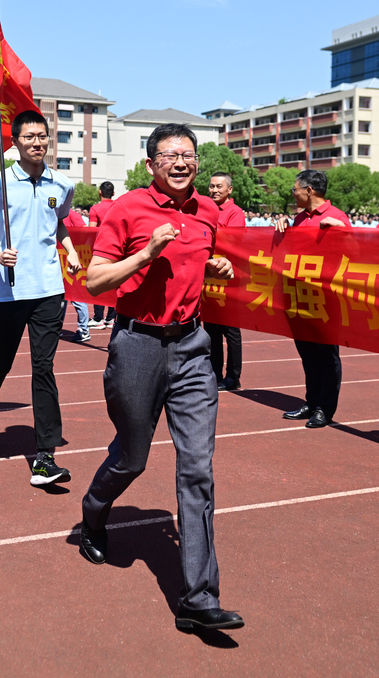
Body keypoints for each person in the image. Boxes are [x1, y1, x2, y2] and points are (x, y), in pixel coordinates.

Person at [78, 123, 242, 632]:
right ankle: (94, 509)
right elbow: (95, 280)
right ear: (151, 164)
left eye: (188, 154)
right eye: (170, 155)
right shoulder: (127, 208)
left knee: (197, 468)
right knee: (132, 457)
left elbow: (199, 261)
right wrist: (147, 253)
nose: (181, 162)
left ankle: (198, 597)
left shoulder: (208, 211)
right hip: (138, 346)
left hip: (192, 347)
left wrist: (215, 268)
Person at [0, 109, 82, 486]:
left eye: (42, 136)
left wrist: (71, 250)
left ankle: (45, 456)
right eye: (29, 137)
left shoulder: (62, 184)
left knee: (43, 367)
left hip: (48, 288)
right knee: (0, 360)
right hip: (7, 290)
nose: (37, 142)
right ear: (15, 142)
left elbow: (59, 223)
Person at [274, 169, 349, 429]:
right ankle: (311, 401)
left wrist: (341, 230)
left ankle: (324, 409)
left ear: (309, 190)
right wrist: (283, 225)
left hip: (326, 298)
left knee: (326, 355)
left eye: (295, 189)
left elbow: (355, 249)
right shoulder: (299, 218)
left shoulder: (337, 217)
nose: (293, 194)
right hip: (300, 296)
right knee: (307, 353)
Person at [204, 172, 245, 391]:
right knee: (211, 328)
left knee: (231, 331)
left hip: (229, 278)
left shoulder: (234, 212)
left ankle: (233, 377)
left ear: (229, 190)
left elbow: (233, 242)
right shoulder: (206, 209)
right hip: (209, 276)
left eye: (219, 187)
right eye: (211, 186)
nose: (214, 190)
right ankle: (214, 372)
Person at [87, 181, 117, 330]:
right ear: (113, 193)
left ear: (100, 192)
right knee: (115, 282)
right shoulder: (118, 207)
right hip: (117, 249)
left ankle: (98, 317)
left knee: (98, 281)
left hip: (100, 250)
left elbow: (91, 231)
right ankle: (111, 318)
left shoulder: (95, 209)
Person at [62, 205, 91, 343]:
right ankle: (56, 327)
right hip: (59, 261)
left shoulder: (72, 214)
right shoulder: (54, 213)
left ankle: (84, 330)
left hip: (72, 261)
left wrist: (76, 253)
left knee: (76, 297)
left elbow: (85, 232)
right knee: (60, 297)